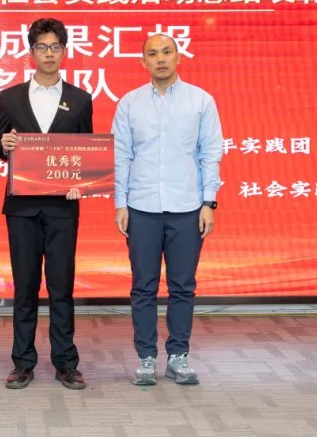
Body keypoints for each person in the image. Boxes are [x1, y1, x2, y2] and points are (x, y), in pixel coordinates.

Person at [111, 33, 223, 387]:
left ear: (178, 56)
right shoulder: (129, 103)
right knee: (143, 287)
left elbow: (211, 154)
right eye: (152, 54)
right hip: (141, 206)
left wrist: (208, 202)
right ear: (143, 61)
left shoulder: (200, 101)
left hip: (187, 207)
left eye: (166, 52)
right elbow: (121, 156)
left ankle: (178, 356)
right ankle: (146, 357)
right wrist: (120, 203)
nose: (160, 59)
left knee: (182, 286)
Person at [0, 17, 93, 390]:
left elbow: (86, 153)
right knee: (25, 287)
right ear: (31, 51)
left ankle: (66, 362)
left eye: (55, 47)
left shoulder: (80, 99)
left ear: (64, 51)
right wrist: (4, 144)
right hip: (22, 207)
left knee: (61, 286)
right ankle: (23, 362)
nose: (49, 53)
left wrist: (82, 183)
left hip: (63, 207)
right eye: (42, 47)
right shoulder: (11, 97)